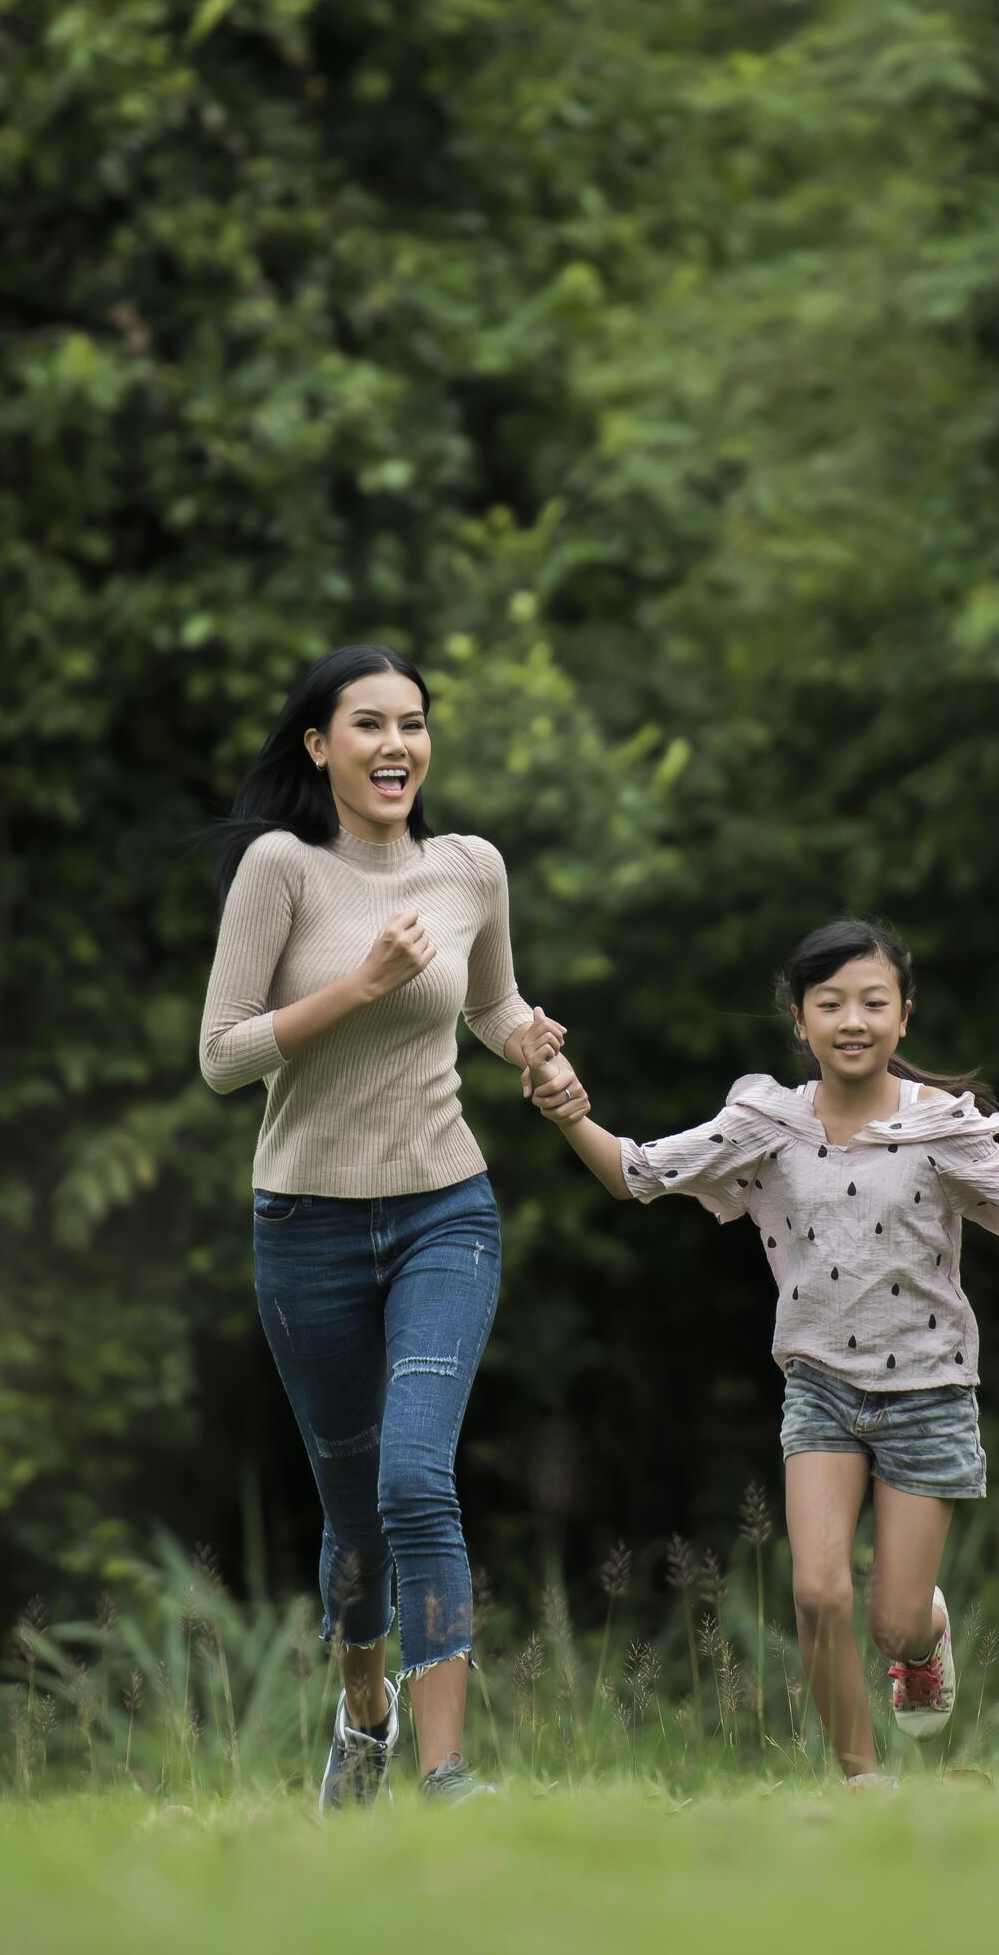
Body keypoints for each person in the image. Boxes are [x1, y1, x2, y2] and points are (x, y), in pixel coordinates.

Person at [529, 915, 999, 1785]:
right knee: (817, 1593)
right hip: (820, 1387)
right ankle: (862, 1784)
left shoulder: (942, 1130)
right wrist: (572, 1115)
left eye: (873, 1001)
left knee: (891, 1623)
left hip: (929, 1393)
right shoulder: (766, 1124)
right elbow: (635, 1174)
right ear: (800, 1021)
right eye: (829, 1003)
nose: (852, 1020)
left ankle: (922, 1638)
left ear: (904, 1017)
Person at [198, 644, 576, 1808]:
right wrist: (356, 986)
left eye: (413, 723)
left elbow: (489, 998)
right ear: (320, 745)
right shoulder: (282, 869)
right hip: (305, 1223)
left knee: (419, 1477)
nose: (396, 746)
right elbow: (221, 1056)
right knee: (354, 1515)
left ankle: (447, 1770)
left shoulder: (470, 869)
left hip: (441, 1209)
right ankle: (365, 1714)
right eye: (369, 724)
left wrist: (527, 1041)